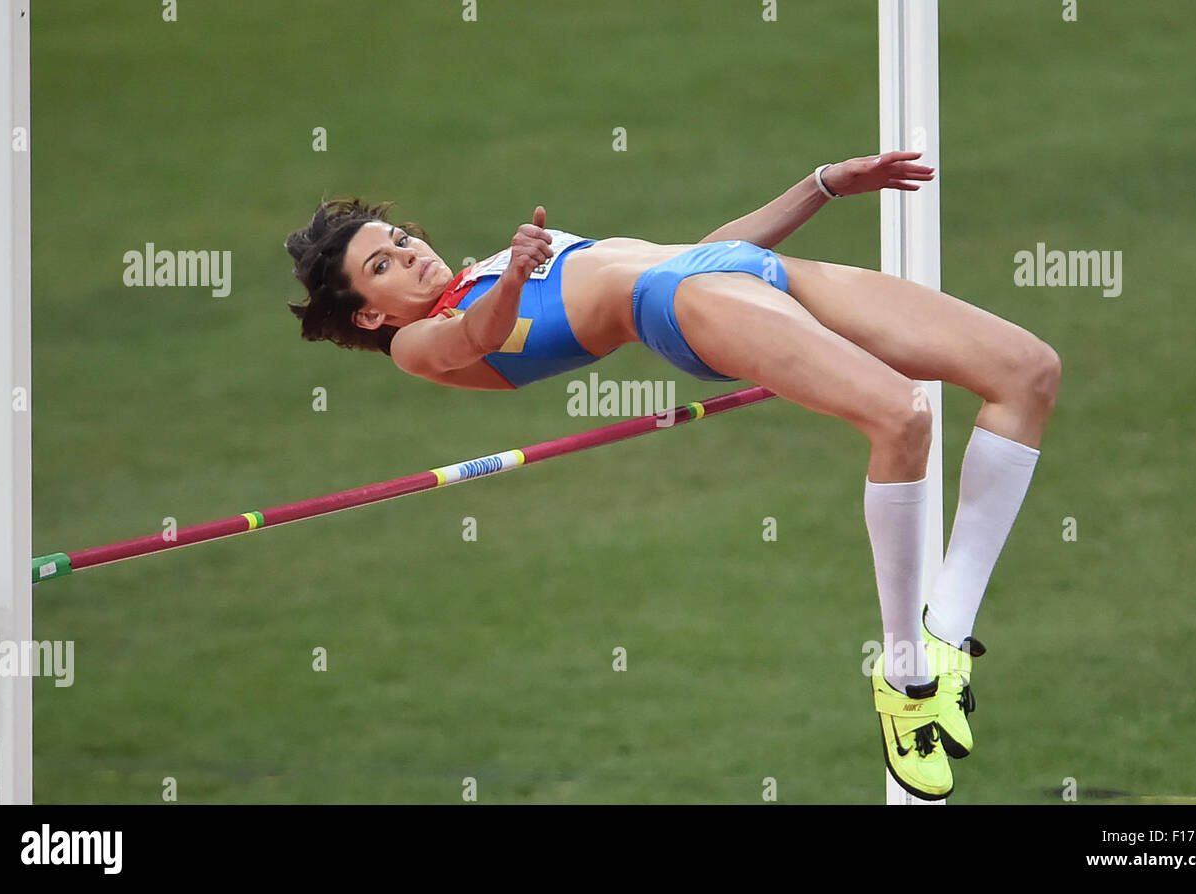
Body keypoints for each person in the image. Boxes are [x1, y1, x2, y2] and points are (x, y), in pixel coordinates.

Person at [285, 152, 1060, 800]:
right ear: (367, 315)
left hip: (730, 269)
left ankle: (947, 635)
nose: (409, 253)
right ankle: (907, 679)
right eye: (382, 265)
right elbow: (478, 336)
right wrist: (518, 277)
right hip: (679, 305)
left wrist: (820, 185)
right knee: (902, 417)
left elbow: (693, 252)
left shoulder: (487, 267)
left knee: (1026, 371)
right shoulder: (420, 341)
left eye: (396, 238)